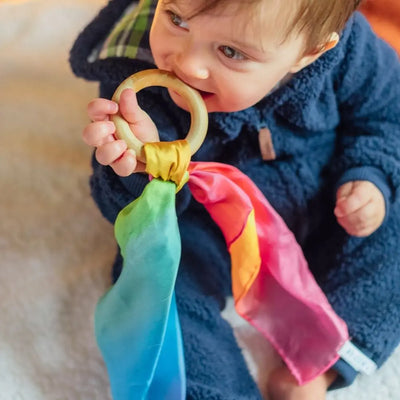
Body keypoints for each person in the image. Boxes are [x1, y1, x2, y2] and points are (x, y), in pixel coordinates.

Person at [70, 0, 400, 398]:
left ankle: (321, 367)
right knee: (153, 288)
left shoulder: (350, 53)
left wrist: (369, 178)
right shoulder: (139, 78)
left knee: (391, 228)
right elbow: (125, 215)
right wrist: (139, 168)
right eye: (176, 19)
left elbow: (385, 115)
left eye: (231, 52)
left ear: (309, 52)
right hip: (204, 229)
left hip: (325, 205)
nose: (187, 65)